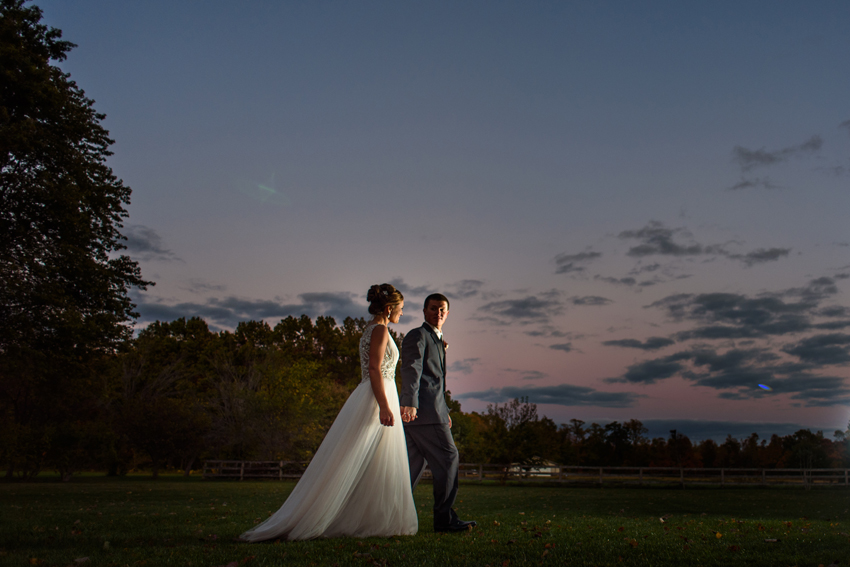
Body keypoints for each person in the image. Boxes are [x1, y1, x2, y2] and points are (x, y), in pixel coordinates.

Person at [240, 284, 417, 541]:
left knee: (376, 459)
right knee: (358, 456)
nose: (401, 314)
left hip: (377, 393)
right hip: (377, 396)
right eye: (400, 310)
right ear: (389, 309)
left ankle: (369, 517)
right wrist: (384, 406)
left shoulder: (372, 329)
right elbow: (375, 369)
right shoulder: (379, 330)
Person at [400, 293, 476, 533]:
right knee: (449, 458)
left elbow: (437, 382)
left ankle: (392, 514)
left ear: (448, 313)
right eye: (433, 309)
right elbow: (412, 368)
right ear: (424, 311)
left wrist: (445, 410)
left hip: (433, 411)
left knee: (411, 467)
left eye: (443, 310)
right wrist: (410, 402)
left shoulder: (438, 340)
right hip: (422, 412)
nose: (438, 313)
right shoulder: (418, 335)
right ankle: (444, 520)